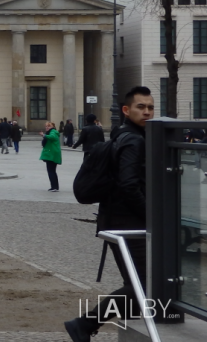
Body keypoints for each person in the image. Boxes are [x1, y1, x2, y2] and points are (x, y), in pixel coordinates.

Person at [64, 86, 153, 341]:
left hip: (116, 219)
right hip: (127, 222)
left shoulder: (122, 134)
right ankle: (84, 323)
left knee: (137, 284)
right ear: (126, 110)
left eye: (150, 107)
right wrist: (152, 216)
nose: (146, 112)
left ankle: (86, 324)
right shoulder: (134, 139)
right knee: (145, 284)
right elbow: (128, 185)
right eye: (141, 107)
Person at [40, 121, 61, 192]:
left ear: (53, 127)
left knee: (51, 171)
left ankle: (54, 187)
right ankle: (54, 186)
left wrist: (44, 135)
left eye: (48, 126)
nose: (47, 127)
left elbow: (52, 137)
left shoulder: (53, 132)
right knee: (52, 171)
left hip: (51, 154)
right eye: (46, 126)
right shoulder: (51, 132)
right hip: (51, 154)